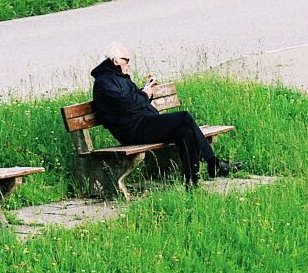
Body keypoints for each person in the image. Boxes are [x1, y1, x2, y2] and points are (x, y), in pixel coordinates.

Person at [89, 44, 241, 187]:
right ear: (115, 60)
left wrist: (146, 90)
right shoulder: (103, 82)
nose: (129, 64)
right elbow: (126, 104)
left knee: (185, 132)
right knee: (184, 117)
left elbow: (132, 100)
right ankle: (213, 163)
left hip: (142, 123)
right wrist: (144, 94)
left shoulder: (118, 78)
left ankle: (191, 181)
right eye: (126, 60)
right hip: (132, 131)